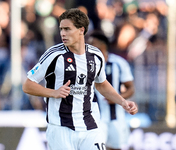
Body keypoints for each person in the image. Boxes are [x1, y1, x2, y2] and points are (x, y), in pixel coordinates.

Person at [22, 8, 138, 150]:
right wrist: (53, 92)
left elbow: (101, 84)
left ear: (81, 30)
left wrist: (122, 102)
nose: (63, 33)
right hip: (60, 127)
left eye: (67, 29)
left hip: (90, 126)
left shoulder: (96, 55)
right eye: (61, 29)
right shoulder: (54, 55)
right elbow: (28, 85)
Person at [87, 30, 135, 150]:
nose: (88, 46)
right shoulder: (86, 63)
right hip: (95, 117)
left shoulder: (118, 63)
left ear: (102, 45)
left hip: (116, 117)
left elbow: (131, 88)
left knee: (116, 147)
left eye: (92, 43)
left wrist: (118, 98)